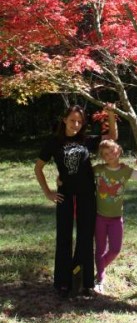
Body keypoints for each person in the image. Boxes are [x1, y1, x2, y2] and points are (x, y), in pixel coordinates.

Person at [35, 103, 117, 298]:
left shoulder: (86, 140)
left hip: (87, 195)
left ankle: (84, 282)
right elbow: (38, 168)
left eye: (80, 121)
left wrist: (111, 114)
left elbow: (112, 137)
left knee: (85, 237)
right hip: (65, 196)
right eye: (72, 120)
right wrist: (48, 192)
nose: (76, 124)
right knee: (64, 238)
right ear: (64, 120)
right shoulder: (53, 142)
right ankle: (63, 282)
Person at [93, 139, 137, 294]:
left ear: (119, 150)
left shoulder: (125, 170)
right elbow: (81, 177)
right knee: (100, 249)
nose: (110, 155)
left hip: (116, 218)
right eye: (106, 154)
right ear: (102, 157)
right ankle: (100, 280)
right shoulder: (97, 170)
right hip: (99, 217)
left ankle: (99, 268)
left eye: (112, 151)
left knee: (115, 249)